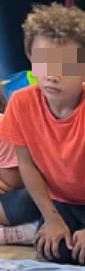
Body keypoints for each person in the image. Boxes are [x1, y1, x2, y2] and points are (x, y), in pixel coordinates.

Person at [0, 4, 85, 264]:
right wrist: (52, 218)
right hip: (60, 196)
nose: (53, 75)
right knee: (54, 250)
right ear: (30, 57)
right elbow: (26, 165)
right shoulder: (20, 103)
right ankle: (40, 226)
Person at [0, 87, 41, 246]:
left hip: (19, 196)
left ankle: (27, 231)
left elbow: (14, 182)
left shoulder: (2, 125)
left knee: (33, 197)